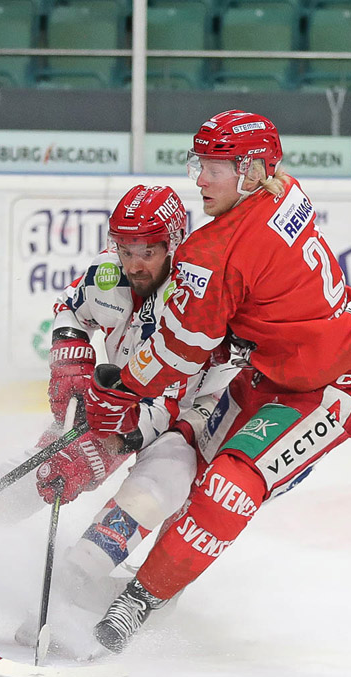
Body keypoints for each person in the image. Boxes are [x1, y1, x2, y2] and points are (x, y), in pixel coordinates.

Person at [83, 110, 351, 653]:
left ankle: (140, 601)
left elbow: (181, 349)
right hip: (274, 371)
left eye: (213, 167)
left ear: (249, 169)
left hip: (330, 387)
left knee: (230, 483)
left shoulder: (215, 251)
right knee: (179, 453)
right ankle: (89, 565)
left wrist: (124, 388)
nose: (199, 178)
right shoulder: (283, 191)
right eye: (199, 164)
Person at [26, 184, 237, 622]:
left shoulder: (194, 295)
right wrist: (71, 357)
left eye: (149, 251)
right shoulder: (107, 273)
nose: (135, 264)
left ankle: (77, 579)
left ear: (174, 243)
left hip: (200, 409)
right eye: (126, 249)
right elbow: (72, 308)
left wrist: (116, 437)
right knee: (49, 461)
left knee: (163, 481)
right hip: (125, 392)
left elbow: (174, 398)